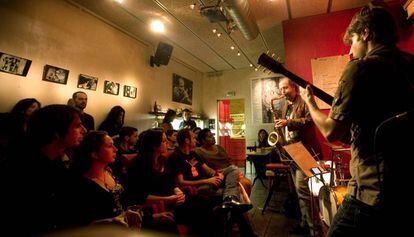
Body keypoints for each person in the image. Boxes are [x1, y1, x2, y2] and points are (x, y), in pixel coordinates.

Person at [301, 4, 414, 236]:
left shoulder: (360, 69)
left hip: (372, 193)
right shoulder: (410, 65)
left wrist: (310, 103)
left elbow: (331, 132)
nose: (351, 50)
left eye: (353, 40)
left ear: (366, 33)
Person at [1, 105, 87, 235]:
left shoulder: (58, 163)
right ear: (56, 131)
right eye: (77, 126)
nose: (84, 130)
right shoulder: (23, 170)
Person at [275, 77, 316, 235]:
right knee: (299, 193)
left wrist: (288, 123)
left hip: (302, 151)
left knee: (304, 193)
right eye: (281, 89)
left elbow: (309, 120)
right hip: (291, 150)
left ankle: (314, 231)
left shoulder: (303, 101)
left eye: (285, 88)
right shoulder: (287, 105)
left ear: (294, 88)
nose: (282, 92)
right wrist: (281, 125)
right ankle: (305, 224)